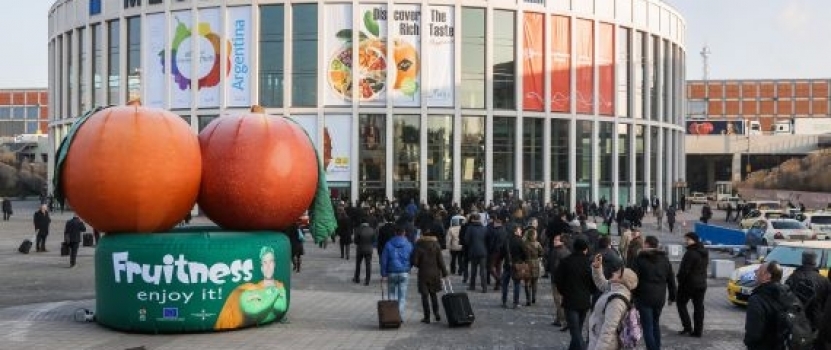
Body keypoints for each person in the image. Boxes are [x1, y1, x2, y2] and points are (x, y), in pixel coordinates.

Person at [215, 246, 288, 329]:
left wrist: (263, 299)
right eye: (265, 263)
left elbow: (280, 307)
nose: (268, 266)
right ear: (261, 267)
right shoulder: (250, 288)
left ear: (274, 264)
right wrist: (275, 293)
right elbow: (254, 310)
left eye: (271, 262)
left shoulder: (279, 285)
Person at [631, 236, 677, 350]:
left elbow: (633, 279)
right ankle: (657, 347)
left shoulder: (640, 259)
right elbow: (671, 279)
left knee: (647, 327)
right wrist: (672, 297)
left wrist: (633, 296)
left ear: (646, 244)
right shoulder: (665, 259)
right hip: (660, 297)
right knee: (655, 323)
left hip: (644, 297)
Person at [587, 256, 639, 350]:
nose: (613, 273)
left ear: (622, 279)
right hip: (597, 337)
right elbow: (602, 284)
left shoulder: (617, 301)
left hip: (604, 344)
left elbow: (608, 329)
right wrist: (597, 268)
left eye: (618, 272)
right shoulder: (614, 288)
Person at [555, 238, 598, 350]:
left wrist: (564, 292)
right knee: (577, 329)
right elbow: (594, 282)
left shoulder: (566, 262)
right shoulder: (589, 264)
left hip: (570, 300)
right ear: (585, 249)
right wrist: (590, 291)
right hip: (584, 301)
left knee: (575, 332)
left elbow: (558, 280)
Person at [744, 261, 786, 350]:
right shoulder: (788, 294)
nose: (756, 272)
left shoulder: (757, 299)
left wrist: (748, 343)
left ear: (768, 276)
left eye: (759, 270)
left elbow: (753, 333)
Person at [785, 251, 830, 331]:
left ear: (802, 261)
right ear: (815, 262)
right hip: (816, 323)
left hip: (796, 321)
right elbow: (826, 304)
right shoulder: (824, 281)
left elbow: (786, 299)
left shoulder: (792, 277)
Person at [411, 230, 448, 324]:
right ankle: (436, 313)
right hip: (435, 273)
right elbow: (441, 261)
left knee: (424, 296)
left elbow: (415, 262)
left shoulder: (418, 245)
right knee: (433, 294)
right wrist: (445, 273)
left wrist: (421, 265)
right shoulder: (436, 245)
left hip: (423, 273)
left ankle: (427, 317)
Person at [676, 232, 709, 337]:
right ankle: (698, 331)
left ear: (694, 240)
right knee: (699, 307)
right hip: (702, 284)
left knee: (681, 303)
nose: (686, 241)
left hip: (689, 284)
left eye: (688, 239)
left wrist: (680, 280)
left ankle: (687, 327)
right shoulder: (704, 252)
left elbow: (684, 271)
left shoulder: (690, 253)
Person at [380, 225, 414, 317]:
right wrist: (409, 268)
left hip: (391, 272)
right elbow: (412, 258)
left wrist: (383, 274)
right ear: (404, 233)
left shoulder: (388, 244)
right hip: (404, 272)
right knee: (402, 297)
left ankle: (392, 315)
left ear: (395, 233)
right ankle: (400, 316)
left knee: (391, 295)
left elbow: (383, 260)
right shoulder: (409, 244)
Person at [501, 223, 528, 308]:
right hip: (517, 265)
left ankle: (504, 301)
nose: (521, 231)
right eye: (519, 230)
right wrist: (523, 260)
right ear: (515, 231)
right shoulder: (520, 241)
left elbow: (502, 252)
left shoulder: (506, 240)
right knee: (517, 284)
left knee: (505, 284)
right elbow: (525, 253)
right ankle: (515, 302)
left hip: (507, 264)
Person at [547, 232, 571, 328]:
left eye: (556, 240)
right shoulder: (567, 251)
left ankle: (562, 320)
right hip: (565, 279)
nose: (554, 241)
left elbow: (555, 267)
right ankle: (558, 319)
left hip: (557, 279)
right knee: (561, 299)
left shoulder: (556, 251)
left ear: (562, 241)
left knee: (558, 300)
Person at [464, 213, 489, 293]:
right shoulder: (485, 228)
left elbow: (466, 240)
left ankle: (472, 285)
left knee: (473, 270)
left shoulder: (470, 228)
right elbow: (488, 240)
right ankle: (484, 288)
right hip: (483, 251)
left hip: (473, 251)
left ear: (473, 219)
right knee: (483, 271)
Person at [523, 227, 544, 306]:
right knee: (534, 282)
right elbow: (541, 253)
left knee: (527, 282)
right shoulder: (537, 244)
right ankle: (533, 297)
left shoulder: (524, 243)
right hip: (535, 263)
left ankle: (528, 299)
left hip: (526, 263)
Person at [353, 221, 377, 285]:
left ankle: (357, 278)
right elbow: (374, 240)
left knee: (358, 264)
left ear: (362, 223)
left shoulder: (358, 230)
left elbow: (355, 241)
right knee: (368, 265)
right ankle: (367, 280)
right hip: (369, 249)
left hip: (360, 249)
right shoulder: (372, 230)